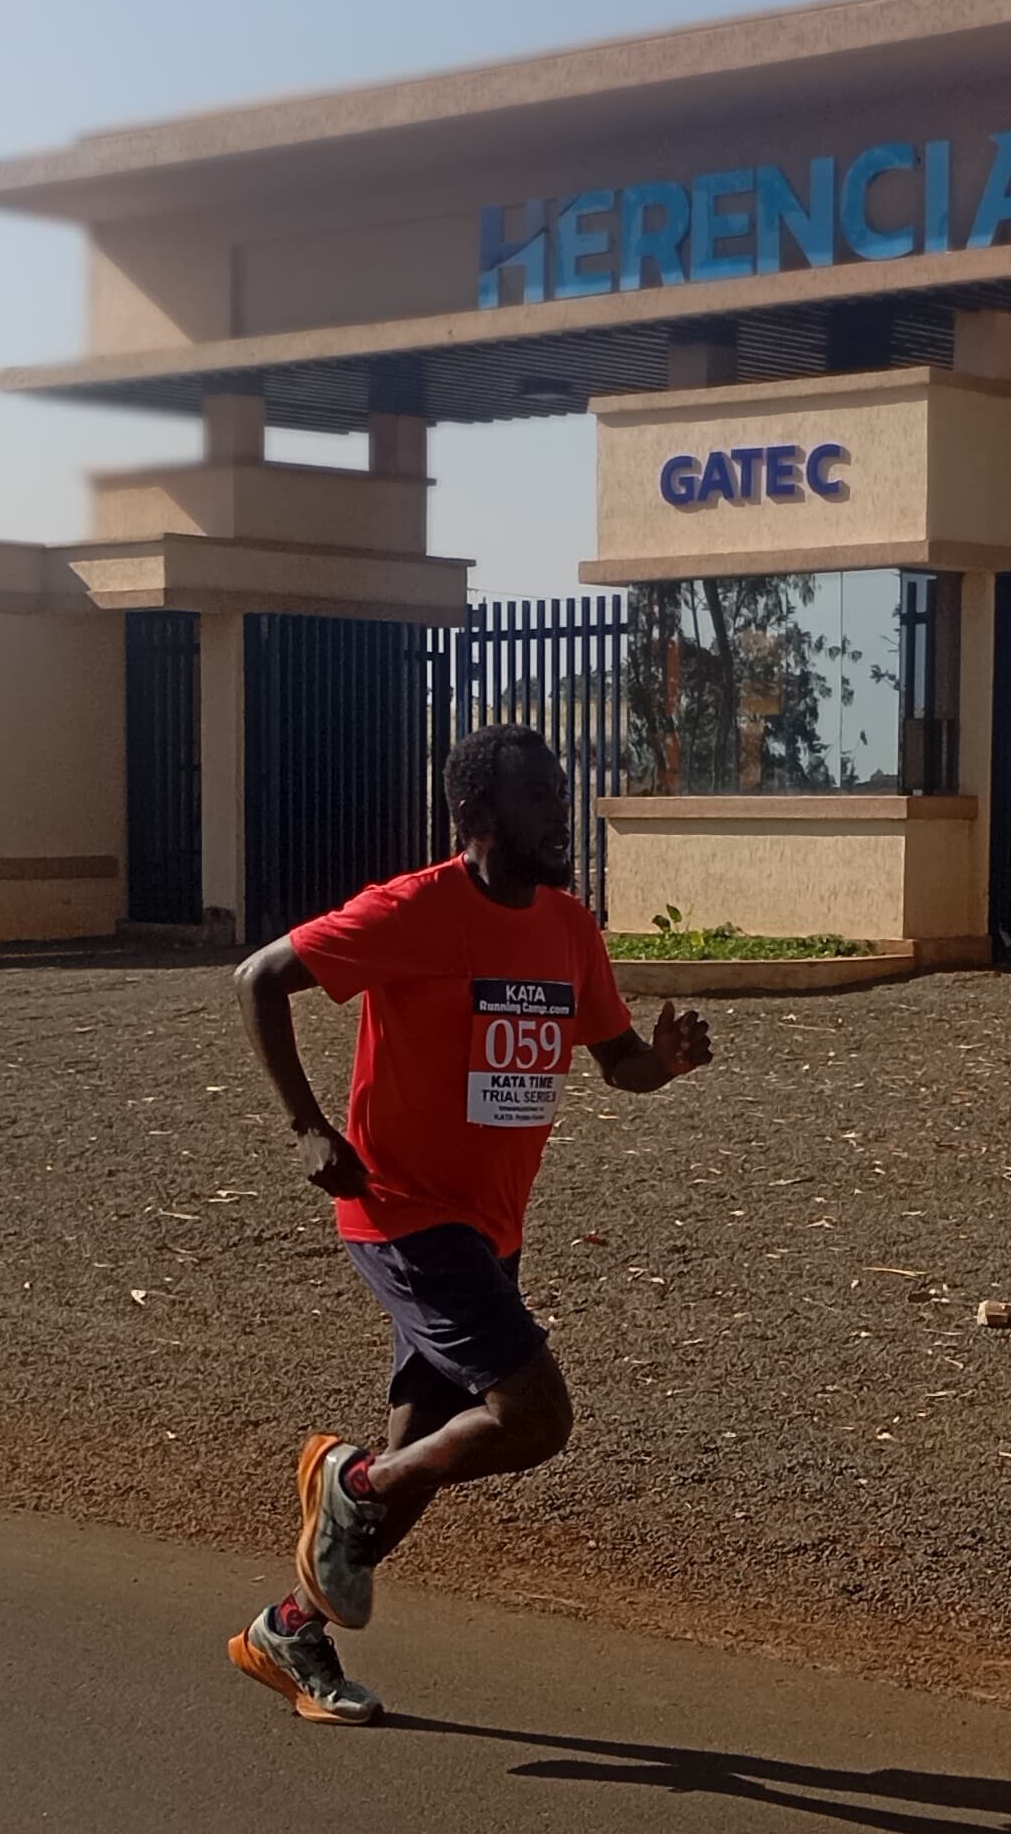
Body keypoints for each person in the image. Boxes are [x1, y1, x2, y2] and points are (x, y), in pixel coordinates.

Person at [225, 724, 713, 1723]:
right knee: (534, 1417)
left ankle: (289, 1629)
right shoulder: (413, 910)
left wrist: (664, 1063)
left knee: (432, 1444)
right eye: (541, 798)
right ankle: (352, 1478)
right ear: (476, 814)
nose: (561, 815)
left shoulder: (567, 927)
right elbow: (258, 978)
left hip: (491, 1228)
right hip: (402, 1212)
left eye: (563, 795)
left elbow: (616, 1059)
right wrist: (309, 1125)